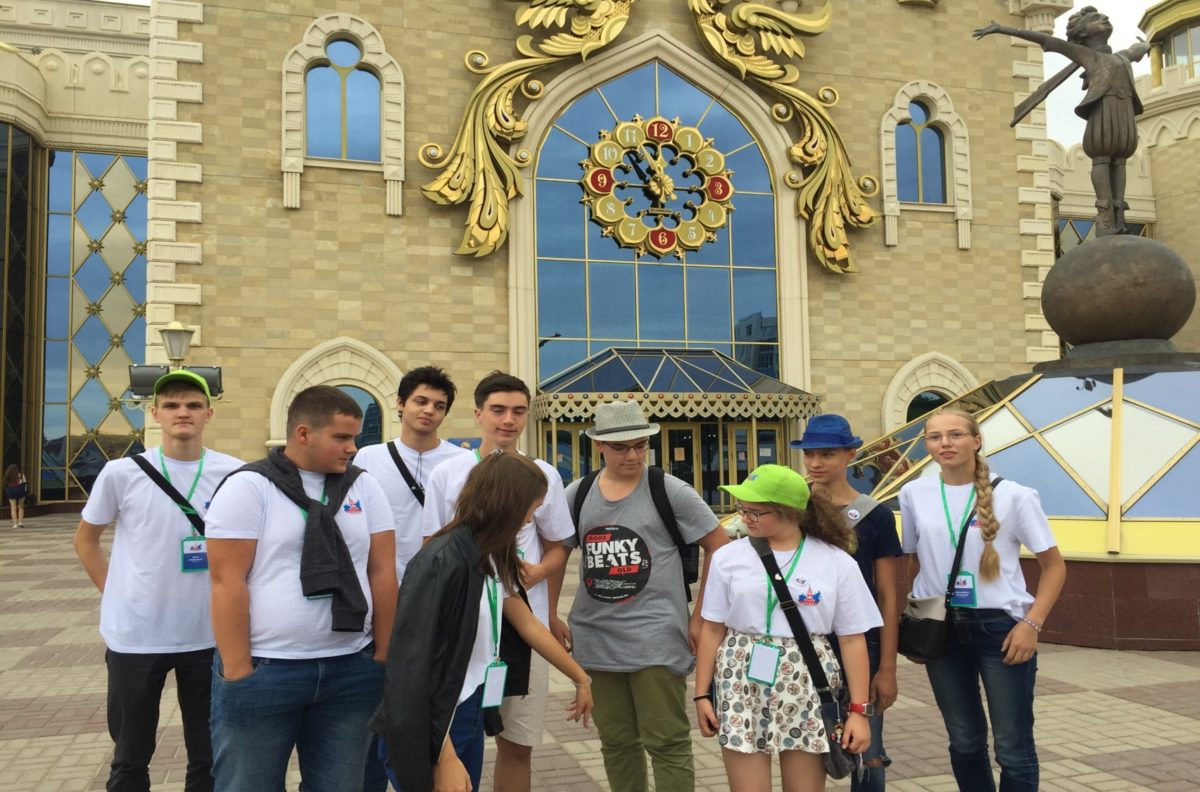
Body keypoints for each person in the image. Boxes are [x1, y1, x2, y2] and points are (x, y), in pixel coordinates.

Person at [205, 385, 397, 792]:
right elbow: (226, 581)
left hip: (351, 669)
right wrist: (239, 669)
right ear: (303, 433)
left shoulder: (364, 487)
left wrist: (381, 655)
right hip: (267, 669)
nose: (352, 448)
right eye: (341, 437)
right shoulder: (248, 486)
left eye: (355, 438)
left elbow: (382, 572)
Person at [380, 451, 593, 792]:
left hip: (470, 706)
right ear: (506, 504)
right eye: (530, 510)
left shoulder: (490, 552)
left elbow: (527, 624)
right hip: (435, 723)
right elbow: (410, 669)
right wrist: (444, 757)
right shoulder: (442, 561)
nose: (529, 521)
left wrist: (580, 678)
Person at [74, 369, 244, 792]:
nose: (182, 412)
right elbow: (86, 541)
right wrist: (116, 593)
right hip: (136, 637)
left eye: (193, 405)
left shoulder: (235, 473)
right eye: (171, 405)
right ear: (154, 413)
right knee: (130, 758)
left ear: (209, 413)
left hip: (208, 634)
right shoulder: (121, 473)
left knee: (208, 757)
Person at [561, 400, 729, 792]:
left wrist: (701, 617)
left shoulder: (669, 490)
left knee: (667, 741)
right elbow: (556, 553)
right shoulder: (578, 493)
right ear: (599, 446)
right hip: (595, 638)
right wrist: (550, 613)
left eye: (641, 445)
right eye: (621, 447)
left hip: (657, 636)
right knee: (617, 742)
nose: (633, 455)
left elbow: (720, 547)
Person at [420, 371, 572, 792]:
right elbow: (431, 547)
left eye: (518, 411)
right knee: (454, 740)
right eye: (498, 410)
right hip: (464, 627)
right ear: (478, 414)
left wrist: (539, 581)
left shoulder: (544, 474)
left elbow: (558, 547)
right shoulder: (448, 474)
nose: (508, 420)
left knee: (518, 744)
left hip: (524, 627)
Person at [900, 408, 1066, 792]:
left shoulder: (1015, 495)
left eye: (955, 434)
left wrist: (1032, 624)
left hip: (1001, 629)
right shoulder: (913, 493)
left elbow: (1054, 567)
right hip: (941, 628)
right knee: (964, 739)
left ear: (976, 441)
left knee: (1012, 747)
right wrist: (913, 624)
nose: (945, 443)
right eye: (935, 437)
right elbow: (912, 561)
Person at [695, 463, 879, 792]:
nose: (745, 518)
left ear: (790, 512)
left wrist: (858, 712)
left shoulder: (836, 561)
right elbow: (712, 629)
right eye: (742, 508)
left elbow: (853, 640)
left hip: (807, 678)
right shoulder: (727, 557)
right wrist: (701, 694)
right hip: (739, 675)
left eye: (755, 511)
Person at [353, 366, 470, 792]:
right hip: (379, 599)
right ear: (400, 404)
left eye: (439, 405)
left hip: (437, 601)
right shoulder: (367, 459)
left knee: (425, 699)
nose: (429, 411)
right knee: (370, 707)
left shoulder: (463, 462)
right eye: (420, 401)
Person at [792, 414, 901, 792]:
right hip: (804, 643)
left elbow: (887, 596)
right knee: (804, 747)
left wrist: (887, 667)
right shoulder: (793, 510)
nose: (816, 463)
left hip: (860, 643)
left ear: (850, 455)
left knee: (867, 749)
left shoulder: (875, 515)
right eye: (809, 454)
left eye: (827, 454)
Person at [974, 7, 1151, 235]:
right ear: (1083, 32)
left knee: (1120, 161)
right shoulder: (1086, 55)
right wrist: (1002, 29)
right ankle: (1106, 217)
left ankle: (1120, 217)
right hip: (1103, 114)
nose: (1105, 18)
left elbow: (1136, 50)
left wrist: (1147, 45)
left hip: (1123, 115)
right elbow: (1048, 41)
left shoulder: (1121, 57)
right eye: (1096, 18)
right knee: (1103, 158)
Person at [5, 463, 27, 528]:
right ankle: (20, 522)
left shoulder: (8, 476)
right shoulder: (21, 475)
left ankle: (15, 524)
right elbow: (25, 483)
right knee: (21, 507)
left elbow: (6, 484)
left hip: (11, 492)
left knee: (13, 508)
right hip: (21, 492)